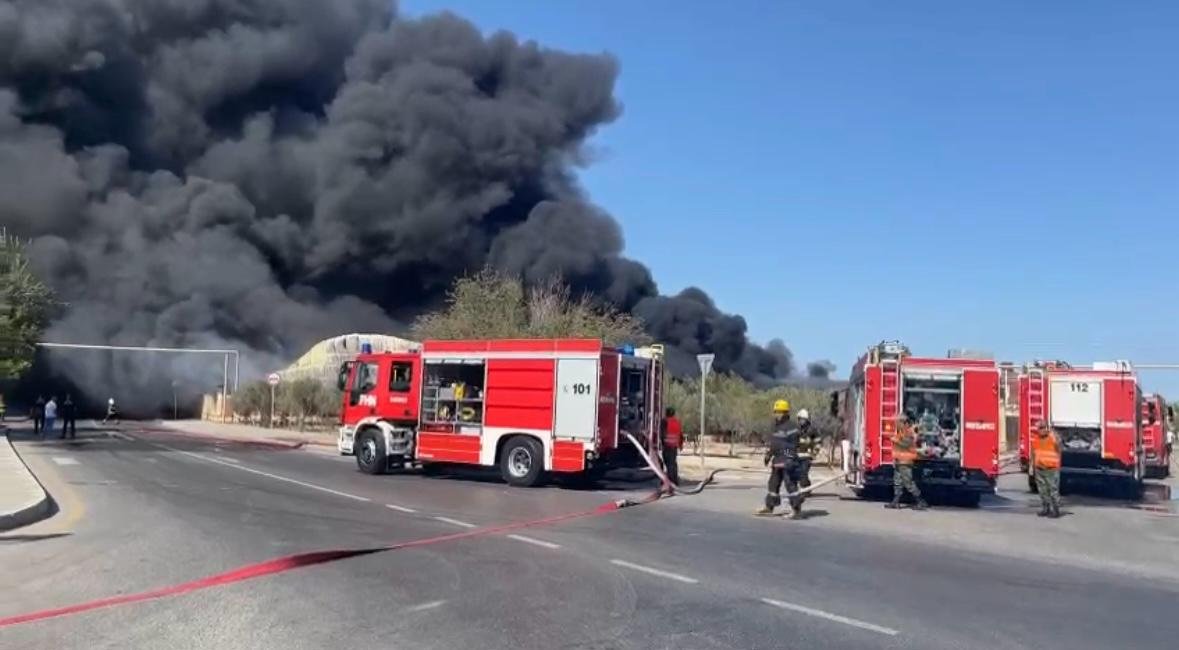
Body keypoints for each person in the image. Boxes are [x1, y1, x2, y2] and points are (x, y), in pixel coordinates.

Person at [755, 399, 805, 520]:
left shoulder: (792, 427)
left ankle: (796, 510)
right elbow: (775, 444)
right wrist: (769, 455)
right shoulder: (775, 426)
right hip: (777, 460)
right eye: (775, 412)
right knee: (773, 484)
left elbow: (793, 446)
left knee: (790, 485)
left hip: (788, 461)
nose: (776, 414)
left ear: (786, 413)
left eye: (779, 412)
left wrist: (789, 458)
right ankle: (769, 506)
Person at [887, 415, 928, 510]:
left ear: (905, 423)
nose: (897, 423)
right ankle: (895, 502)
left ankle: (921, 501)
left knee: (908, 483)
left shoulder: (908, 432)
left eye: (899, 422)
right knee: (897, 482)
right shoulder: (901, 432)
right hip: (899, 461)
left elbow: (907, 444)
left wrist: (895, 441)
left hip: (905, 461)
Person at [1031, 420, 1062, 518]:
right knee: (1042, 490)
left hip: (1051, 469)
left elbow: (1059, 449)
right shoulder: (1035, 440)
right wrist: (1031, 467)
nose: (1042, 430)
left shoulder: (1052, 438)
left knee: (1053, 490)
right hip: (1040, 469)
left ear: (1047, 428)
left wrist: (1055, 436)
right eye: (1040, 428)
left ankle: (1056, 510)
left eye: (1043, 428)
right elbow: (1033, 454)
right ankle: (1046, 508)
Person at [795, 409, 821, 495]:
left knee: (803, 473)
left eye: (803, 419)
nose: (801, 421)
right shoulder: (796, 430)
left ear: (807, 419)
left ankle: (805, 491)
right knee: (798, 474)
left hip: (807, 456)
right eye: (800, 419)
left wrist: (814, 453)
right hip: (797, 456)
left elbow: (818, 442)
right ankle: (807, 487)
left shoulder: (812, 430)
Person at [660, 407, 682, 486]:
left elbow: (662, 434)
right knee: (673, 463)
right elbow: (680, 434)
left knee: (668, 464)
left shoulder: (664, 421)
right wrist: (680, 445)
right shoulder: (677, 422)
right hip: (674, 446)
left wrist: (662, 443)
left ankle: (669, 481)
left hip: (667, 446)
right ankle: (674, 480)